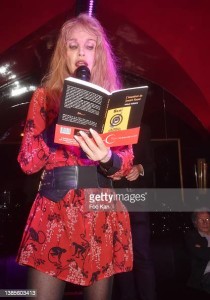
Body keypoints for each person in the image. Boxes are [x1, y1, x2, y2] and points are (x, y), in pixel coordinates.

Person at [16, 13, 134, 300]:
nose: (81, 52)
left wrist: (107, 158)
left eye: (90, 46)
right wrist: (56, 123)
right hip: (55, 210)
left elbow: (126, 162)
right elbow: (27, 162)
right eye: (73, 46)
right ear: (64, 54)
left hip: (101, 211)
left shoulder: (115, 101)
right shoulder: (45, 98)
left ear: (99, 55)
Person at [113, 124, 157, 300]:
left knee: (142, 254)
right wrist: (108, 173)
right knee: (121, 257)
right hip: (113, 201)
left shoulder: (142, 130)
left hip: (137, 200)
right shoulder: (104, 131)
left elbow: (152, 163)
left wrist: (139, 168)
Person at [185, 209, 210, 294]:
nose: (205, 222)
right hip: (205, 275)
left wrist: (204, 249)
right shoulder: (192, 236)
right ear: (195, 223)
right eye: (201, 220)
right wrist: (203, 251)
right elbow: (202, 254)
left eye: (207, 219)